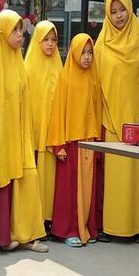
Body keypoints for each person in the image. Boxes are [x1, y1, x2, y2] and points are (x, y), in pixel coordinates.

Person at [95, 0, 139, 243]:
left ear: (130, 9)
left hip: (138, 117)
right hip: (110, 117)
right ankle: (109, 225)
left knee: (137, 172)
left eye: (122, 10)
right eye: (113, 11)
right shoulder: (101, 45)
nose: (119, 16)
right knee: (114, 174)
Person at [0, 9, 48, 253]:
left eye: (21, 29)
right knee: (4, 183)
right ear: (3, 33)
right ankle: (4, 236)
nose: (20, 34)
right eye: (15, 30)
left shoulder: (19, 63)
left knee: (26, 180)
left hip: (21, 134)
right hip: (2, 136)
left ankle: (26, 234)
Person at [47, 33, 101, 247]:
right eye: (82, 52)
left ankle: (86, 227)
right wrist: (59, 145)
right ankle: (68, 230)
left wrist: (99, 141)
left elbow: (97, 111)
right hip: (70, 143)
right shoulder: (66, 79)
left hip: (90, 140)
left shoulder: (94, 78)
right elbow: (58, 112)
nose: (86, 57)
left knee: (88, 188)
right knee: (70, 190)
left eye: (90, 52)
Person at [24, 20, 63, 224]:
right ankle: (33, 219)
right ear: (37, 40)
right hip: (33, 130)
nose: (50, 44)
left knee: (50, 176)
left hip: (52, 131)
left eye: (54, 40)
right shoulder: (27, 67)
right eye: (46, 39)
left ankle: (48, 217)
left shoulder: (59, 67)